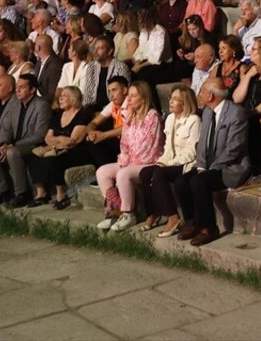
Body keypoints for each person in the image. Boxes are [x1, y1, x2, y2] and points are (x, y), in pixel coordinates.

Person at [173, 77, 251, 245]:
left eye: (201, 91)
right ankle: (192, 222)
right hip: (207, 165)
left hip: (229, 167)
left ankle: (209, 227)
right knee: (181, 182)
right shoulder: (208, 112)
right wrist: (201, 165)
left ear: (210, 95)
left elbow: (233, 149)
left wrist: (211, 168)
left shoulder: (236, 113)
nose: (198, 95)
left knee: (199, 181)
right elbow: (202, 143)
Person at [94, 81, 163, 233]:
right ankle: (114, 210)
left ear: (143, 98)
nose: (129, 99)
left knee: (123, 173)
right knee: (102, 172)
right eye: (129, 95)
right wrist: (125, 158)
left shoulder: (152, 117)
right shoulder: (131, 115)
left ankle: (128, 213)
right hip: (131, 160)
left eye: (133, 96)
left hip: (148, 161)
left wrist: (129, 163)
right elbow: (124, 142)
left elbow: (147, 145)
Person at [138, 86, 201, 235]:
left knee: (159, 174)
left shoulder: (194, 120)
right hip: (171, 162)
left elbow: (191, 153)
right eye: (170, 98)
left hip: (186, 164)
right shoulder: (171, 118)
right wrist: (162, 161)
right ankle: (152, 214)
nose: (170, 101)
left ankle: (173, 217)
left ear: (185, 103)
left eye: (175, 99)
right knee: (146, 173)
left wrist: (167, 165)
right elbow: (168, 148)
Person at [28, 85, 94, 209]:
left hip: (77, 150)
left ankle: (61, 194)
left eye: (64, 96)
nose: (60, 98)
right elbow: (47, 137)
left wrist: (53, 143)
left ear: (74, 98)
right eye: (60, 96)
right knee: (34, 156)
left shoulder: (83, 115)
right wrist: (59, 139)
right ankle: (41, 193)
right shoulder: (58, 115)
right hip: (57, 148)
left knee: (55, 160)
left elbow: (72, 141)